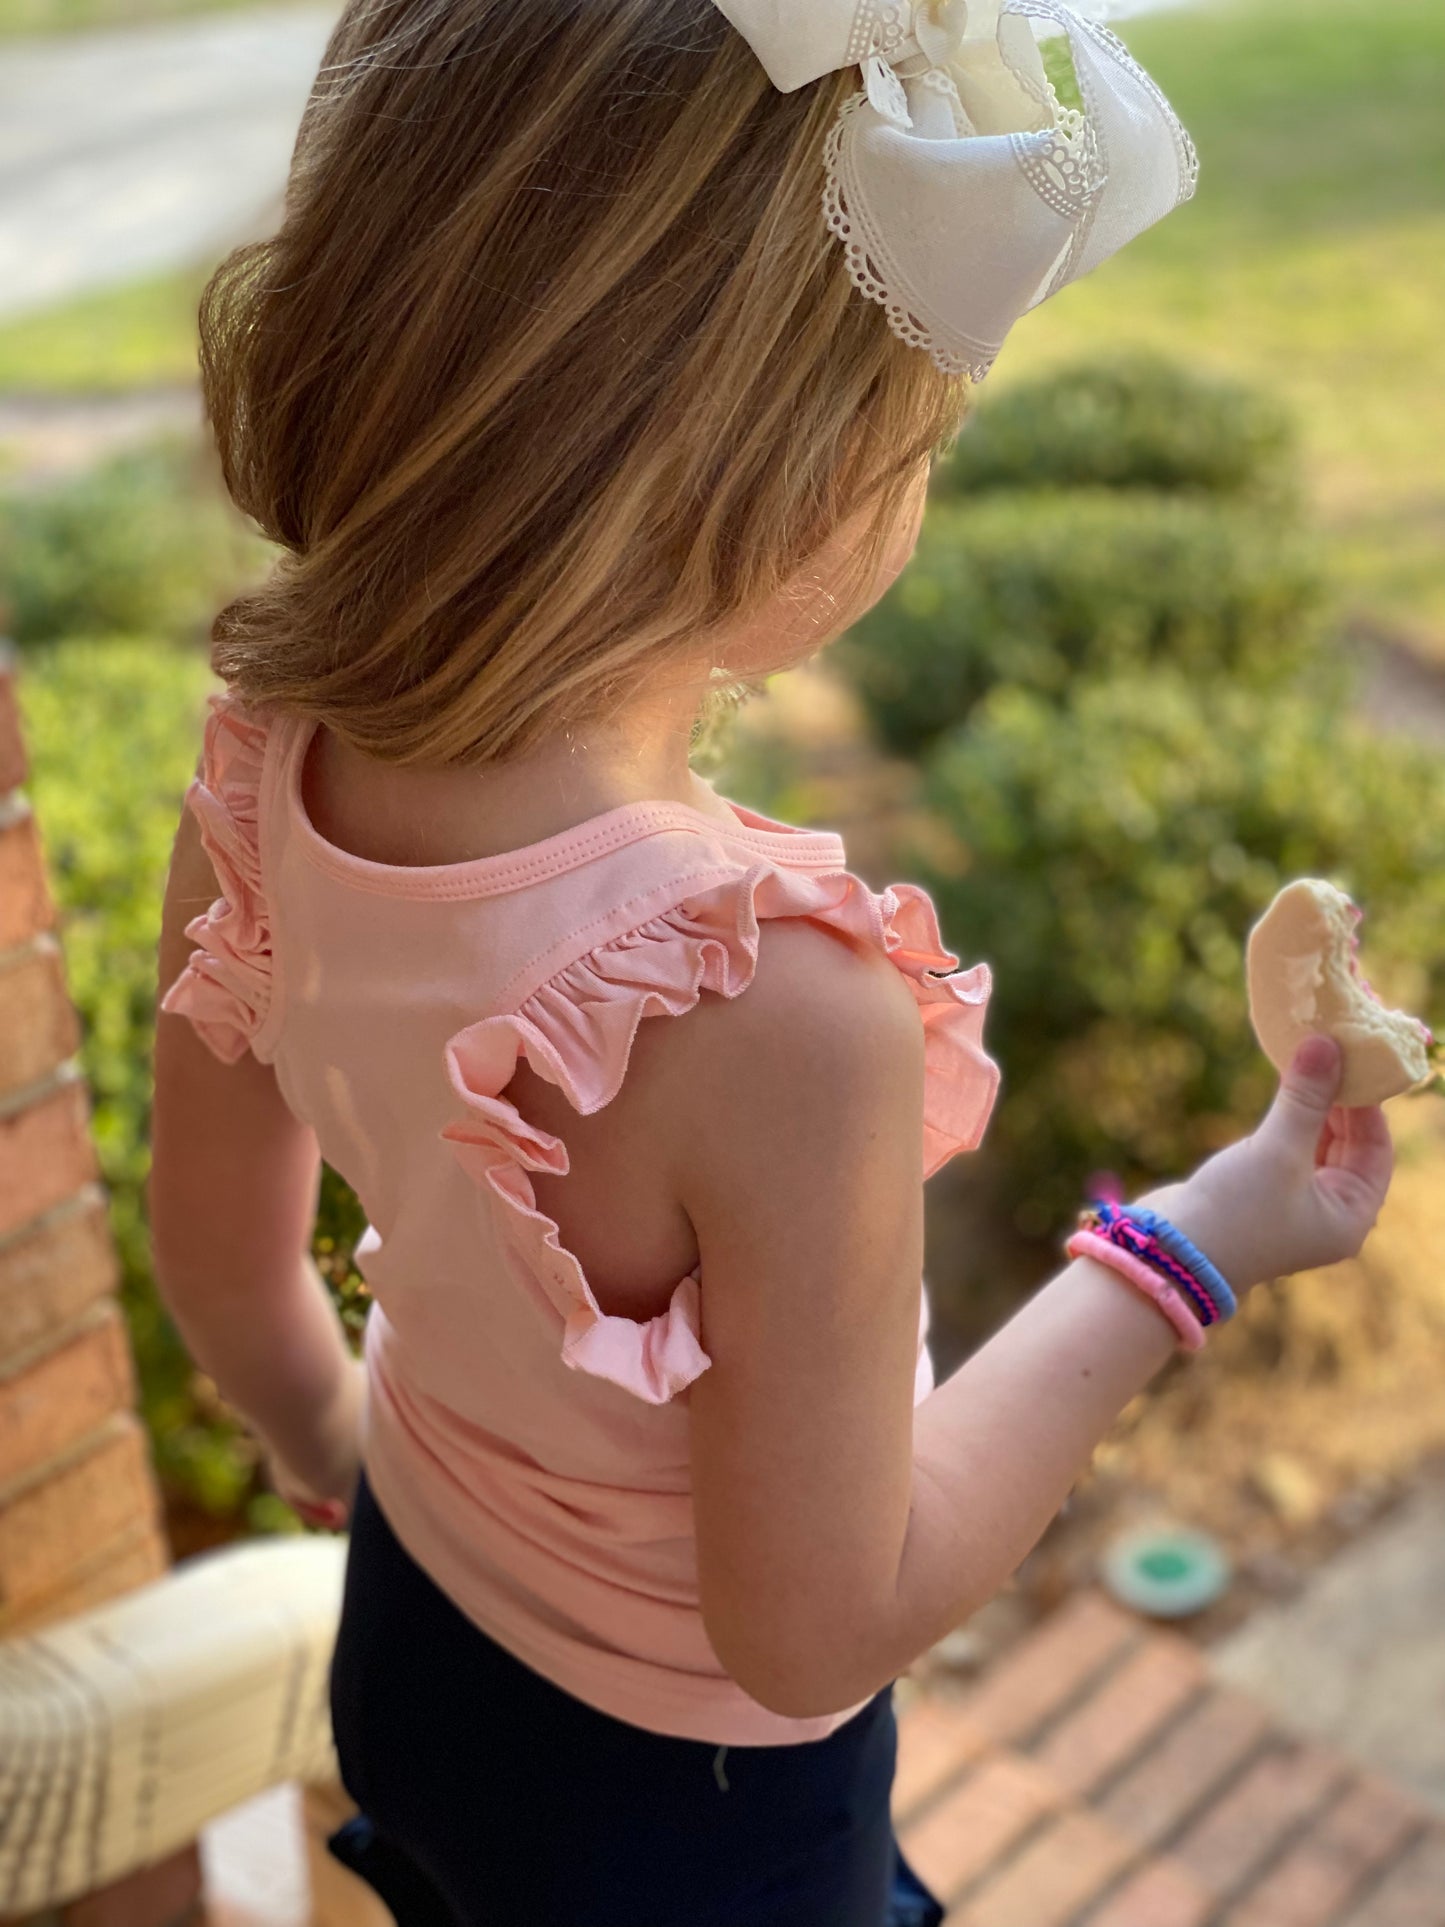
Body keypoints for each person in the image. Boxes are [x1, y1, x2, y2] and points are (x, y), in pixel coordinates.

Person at [146, 2, 1395, 1922]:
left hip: (411, 1656)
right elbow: (819, 1629)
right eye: (916, 440)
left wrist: (353, 1468)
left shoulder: (262, 760)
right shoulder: (765, 1001)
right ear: (795, 476)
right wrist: (1193, 1240)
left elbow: (226, 1262)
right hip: (688, 1830)